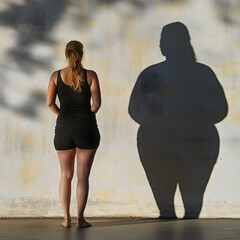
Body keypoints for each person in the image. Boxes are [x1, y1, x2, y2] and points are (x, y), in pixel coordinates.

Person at [46, 40, 101, 228]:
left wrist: (62, 114)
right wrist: (86, 115)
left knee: (65, 175)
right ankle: (81, 219)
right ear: (81, 53)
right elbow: (96, 104)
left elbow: (49, 103)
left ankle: (66, 219)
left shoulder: (55, 76)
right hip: (86, 128)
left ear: (66, 54)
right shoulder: (91, 75)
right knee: (83, 175)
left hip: (63, 129)